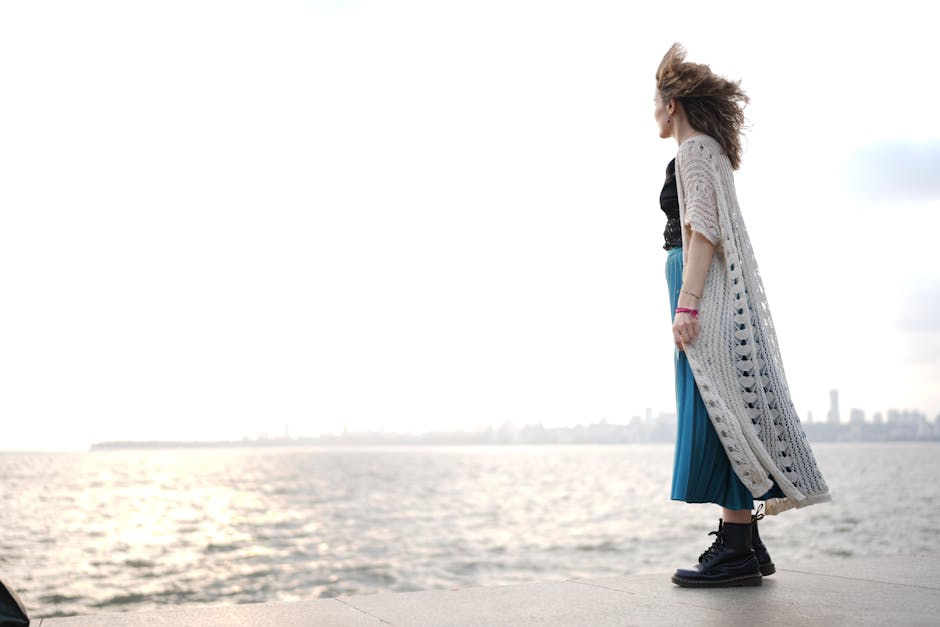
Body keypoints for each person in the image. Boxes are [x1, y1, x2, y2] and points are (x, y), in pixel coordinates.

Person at [653, 43, 831, 588]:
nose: (652, 113)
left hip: (703, 292)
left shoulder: (694, 152)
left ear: (674, 103)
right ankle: (748, 547)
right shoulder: (707, 152)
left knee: (718, 415)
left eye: (655, 102)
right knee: (720, 412)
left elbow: (701, 232)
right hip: (703, 287)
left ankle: (734, 549)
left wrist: (688, 305)